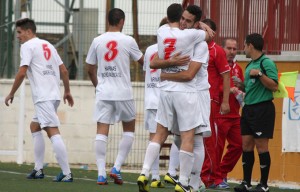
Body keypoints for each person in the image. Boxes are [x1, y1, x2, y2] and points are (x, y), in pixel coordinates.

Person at [137, 3, 211, 192]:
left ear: (195, 23)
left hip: (178, 90)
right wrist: (201, 27)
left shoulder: (163, 31)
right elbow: (186, 74)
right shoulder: (194, 37)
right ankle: (185, 182)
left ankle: (148, 173)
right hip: (185, 93)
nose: (184, 23)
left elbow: (155, 63)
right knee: (188, 137)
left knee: (191, 138)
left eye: (188, 20)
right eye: (183, 19)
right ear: (179, 17)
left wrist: (166, 72)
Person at [4, 18, 74, 182]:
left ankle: (67, 172)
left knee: (52, 131)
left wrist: (11, 93)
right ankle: (38, 169)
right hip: (53, 95)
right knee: (34, 126)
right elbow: (64, 70)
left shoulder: (27, 46)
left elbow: (22, 73)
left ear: (29, 31)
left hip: (44, 97)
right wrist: (67, 91)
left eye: (19, 32)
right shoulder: (48, 45)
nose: (18, 36)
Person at [86, 8, 143, 185]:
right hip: (123, 92)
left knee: (101, 131)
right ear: (122, 21)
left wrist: (98, 86)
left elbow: (89, 68)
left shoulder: (97, 40)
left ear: (107, 20)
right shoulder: (128, 40)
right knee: (129, 128)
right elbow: (143, 61)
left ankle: (101, 174)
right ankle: (116, 168)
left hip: (104, 92)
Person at [233, 33, 278, 192]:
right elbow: (251, 87)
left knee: (261, 147)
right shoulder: (250, 64)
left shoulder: (266, 63)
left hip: (262, 109)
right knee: (246, 145)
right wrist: (240, 85)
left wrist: (259, 74)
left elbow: (274, 86)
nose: (243, 48)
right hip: (248, 109)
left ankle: (264, 185)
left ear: (250, 45)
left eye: (244, 45)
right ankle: (246, 182)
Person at [200, 18, 231, 189]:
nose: (203, 34)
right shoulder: (195, 47)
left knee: (210, 140)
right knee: (188, 137)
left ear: (213, 33)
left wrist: (225, 101)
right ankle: (192, 174)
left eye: (206, 31)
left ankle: (210, 176)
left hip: (210, 100)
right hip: (193, 99)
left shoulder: (217, 51)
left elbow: (226, 76)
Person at [213, 38, 244, 189]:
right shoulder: (216, 66)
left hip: (235, 115)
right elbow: (212, 88)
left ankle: (222, 172)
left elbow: (243, 87)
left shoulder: (238, 68)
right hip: (220, 113)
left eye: (234, 49)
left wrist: (242, 89)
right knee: (217, 147)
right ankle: (216, 177)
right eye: (229, 48)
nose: (232, 52)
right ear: (222, 49)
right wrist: (228, 90)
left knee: (240, 144)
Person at [142, 17, 168, 189]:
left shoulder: (149, 50)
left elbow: (147, 71)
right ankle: (165, 174)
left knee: (154, 138)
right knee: (184, 137)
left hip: (151, 99)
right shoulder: (169, 50)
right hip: (166, 98)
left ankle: (155, 176)